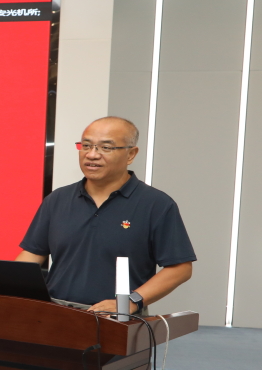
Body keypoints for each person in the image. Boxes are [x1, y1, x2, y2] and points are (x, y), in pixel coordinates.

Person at [16, 116, 195, 314]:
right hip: (56, 313)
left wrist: (131, 301)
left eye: (106, 147)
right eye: (86, 146)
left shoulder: (156, 204)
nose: (92, 155)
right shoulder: (57, 199)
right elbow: (32, 254)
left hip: (118, 318)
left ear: (131, 154)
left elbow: (180, 268)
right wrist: (4, 288)